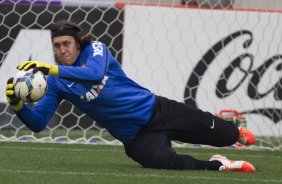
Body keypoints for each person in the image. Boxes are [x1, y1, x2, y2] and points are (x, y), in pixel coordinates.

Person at [6, 20, 256, 172]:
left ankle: (235, 133)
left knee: (229, 135)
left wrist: (52, 68)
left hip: (159, 110)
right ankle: (220, 164)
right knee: (165, 163)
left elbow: (93, 74)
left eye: (66, 44)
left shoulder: (95, 49)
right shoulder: (55, 82)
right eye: (57, 46)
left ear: (77, 44)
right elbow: (38, 123)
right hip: (136, 138)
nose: (62, 50)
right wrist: (18, 105)